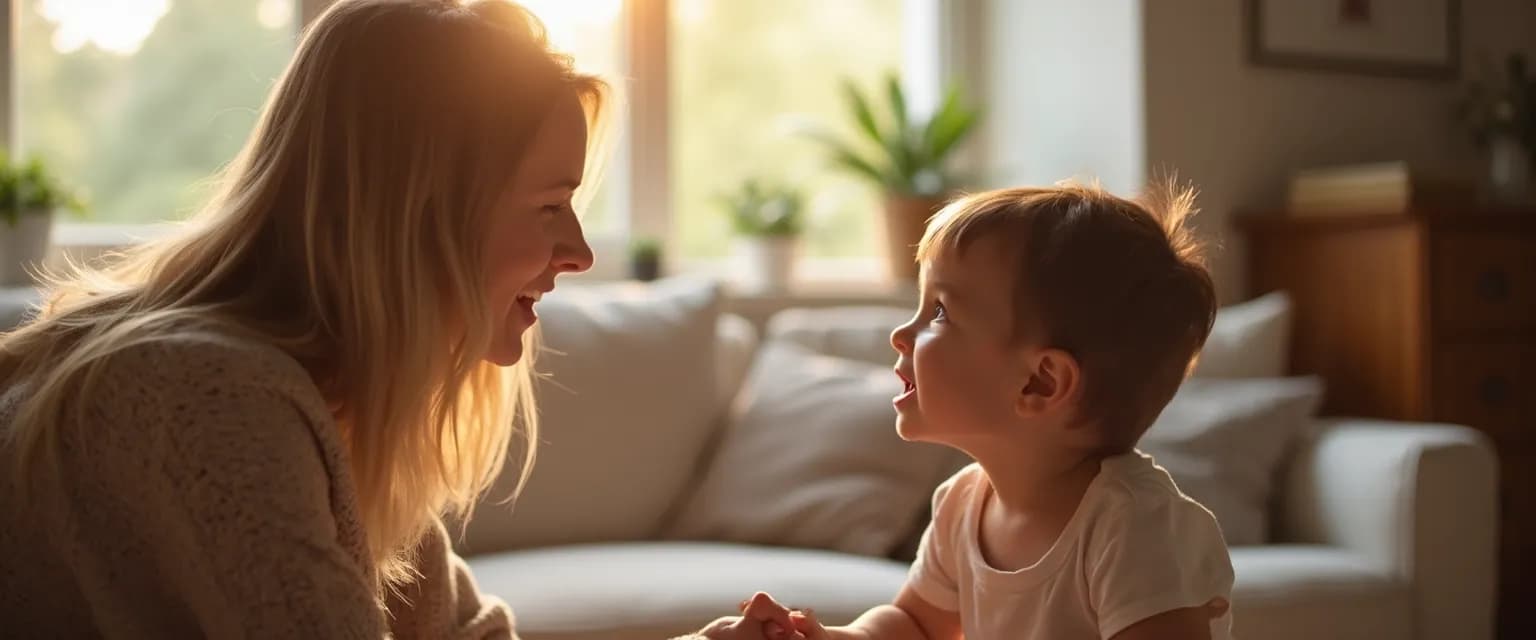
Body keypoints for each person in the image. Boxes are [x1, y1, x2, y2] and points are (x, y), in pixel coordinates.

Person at [0, 0, 606, 636]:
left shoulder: (336, 402)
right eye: (549, 205)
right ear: (413, 212)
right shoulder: (213, 397)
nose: (581, 253)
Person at [722, 183, 1235, 640]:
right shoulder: (962, 504)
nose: (901, 334)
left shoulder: (1133, 529)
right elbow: (917, 625)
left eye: (939, 312)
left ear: (1040, 382)